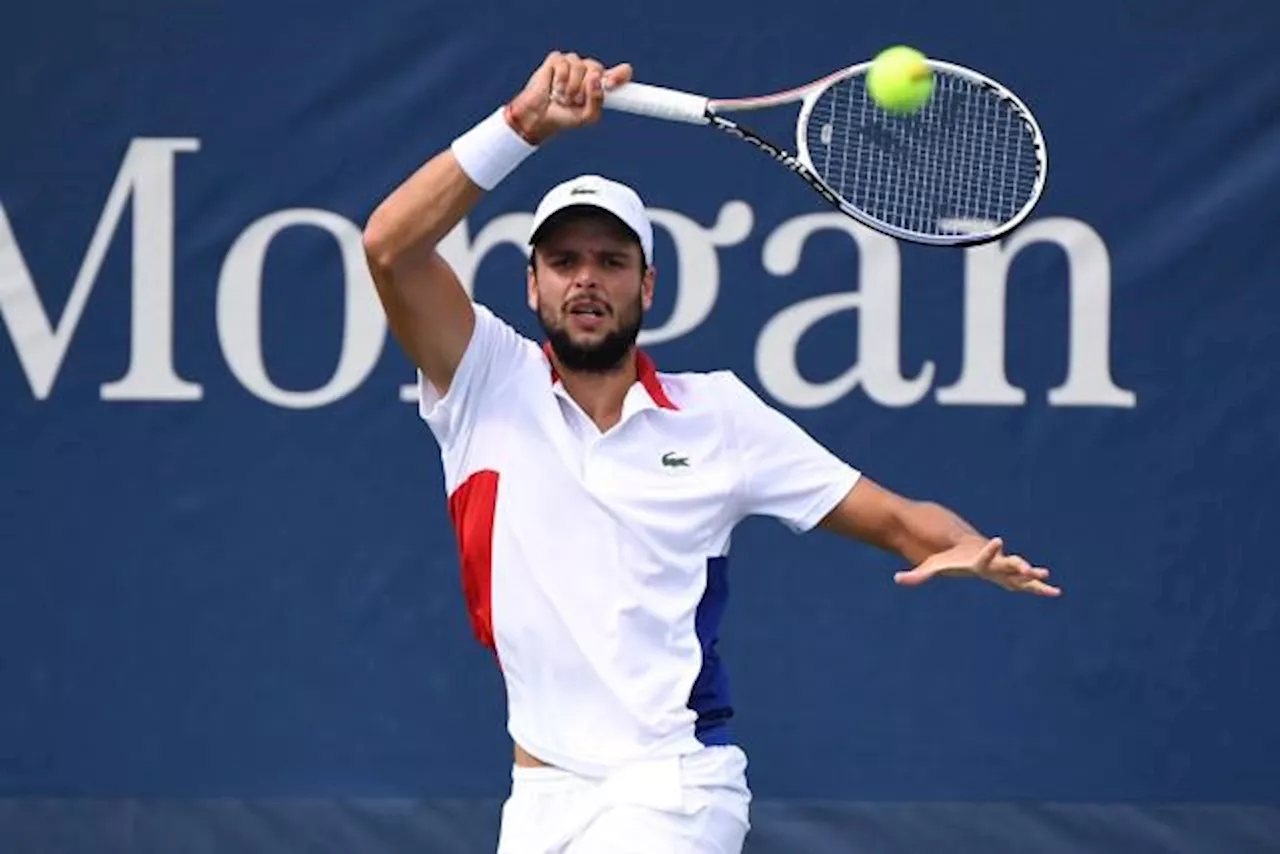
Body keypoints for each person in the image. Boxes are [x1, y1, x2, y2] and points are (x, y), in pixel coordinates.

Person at [362, 51, 1059, 854]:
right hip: (539, 800)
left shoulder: (718, 415)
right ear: (531, 286)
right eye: (563, 262)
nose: (586, 280)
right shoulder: (483, 377)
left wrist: (968, 549)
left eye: (611, 262)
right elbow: (390, 246)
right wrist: (521, 126)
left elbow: (901, 520)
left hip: (672, 789)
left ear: (648, 286)